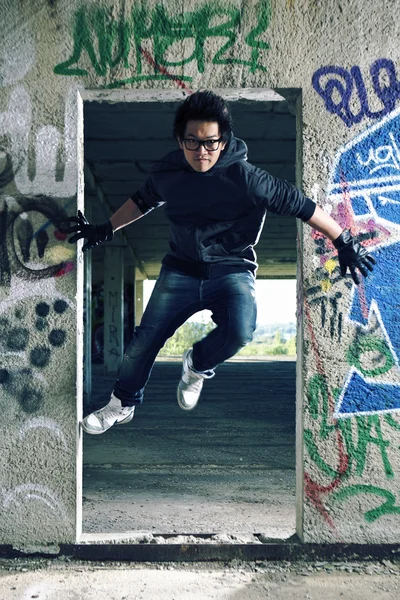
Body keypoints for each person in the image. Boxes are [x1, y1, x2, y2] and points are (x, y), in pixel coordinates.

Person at [63, 90, 376, 435]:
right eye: (192, 142)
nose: (201, 152)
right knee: (143, 341)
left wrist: (343, 241)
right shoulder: (170, 173)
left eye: (210, 143)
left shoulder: (249, 179)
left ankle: (197, 365)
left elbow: (303, 206)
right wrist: (107, 228)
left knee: (241, 330)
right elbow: (142, 200)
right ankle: (121, 405)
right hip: (180, 269)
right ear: (180, 140)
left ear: (224, 141)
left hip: (231, 269)